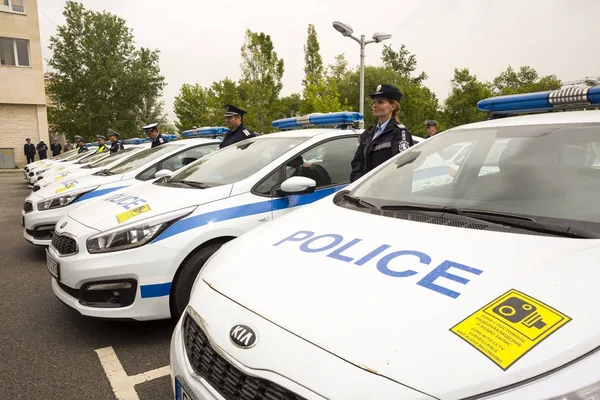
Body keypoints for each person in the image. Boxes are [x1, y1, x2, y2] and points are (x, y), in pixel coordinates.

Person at [350, 84, 415, 182]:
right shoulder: (367, 134)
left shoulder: (400, 133)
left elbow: (401, 169)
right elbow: (357, 165)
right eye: (374, 102)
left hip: (386, 194)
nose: (375, 106)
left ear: (393, 106)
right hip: (364, 194)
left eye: (380, 102)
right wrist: (358, 186)